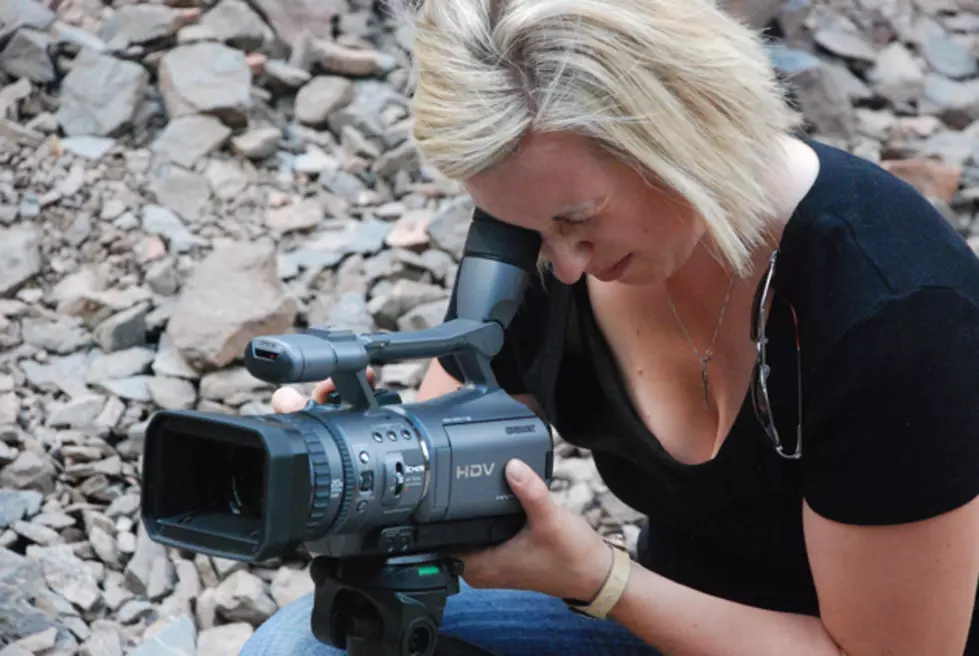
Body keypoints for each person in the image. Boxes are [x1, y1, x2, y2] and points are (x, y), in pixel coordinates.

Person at [239, 0, 979, 653]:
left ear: (683, 130)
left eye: (576, 222)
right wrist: (349, 455)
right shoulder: (541, 221)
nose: (560, 266)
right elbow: (458, 459)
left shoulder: (893, 312)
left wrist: (600, 579)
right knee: (300, 647)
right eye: (521, 224)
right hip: (665, 623)